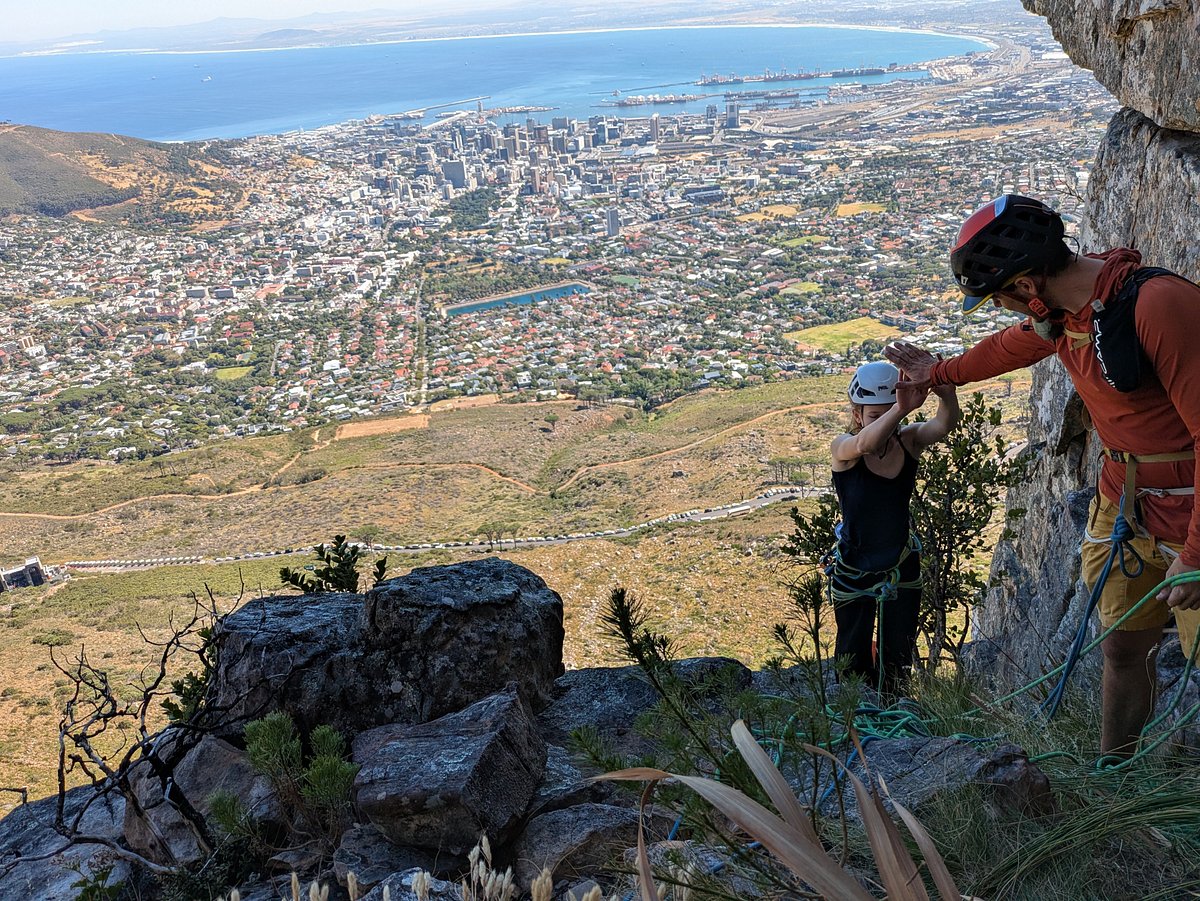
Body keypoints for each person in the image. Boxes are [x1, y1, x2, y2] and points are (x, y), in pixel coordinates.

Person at [884, 193, 1200, 756]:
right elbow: (1011, 348)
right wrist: (939, 373)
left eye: (1003, 297)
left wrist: (1197, 554)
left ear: (1028, 286)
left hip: (1188, 514)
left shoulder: (1156, 306)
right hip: (1126, 506)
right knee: (1123, 650)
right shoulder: (1066, 314)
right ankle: (1116, 772)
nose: (1007, 309)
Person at [829, 360, 960, 694]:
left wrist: (947, 394)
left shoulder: (908, 441)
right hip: (854, 566)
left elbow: (944, 424)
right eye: (875, 416)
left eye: (890, 413)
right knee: (851, 654)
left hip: (900, 564)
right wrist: (900, 412)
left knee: (897, 654)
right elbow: (866, 444)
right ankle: (856, 716)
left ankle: (893, 714)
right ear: (857, 415)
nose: (886, 423)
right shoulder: (844, 448)